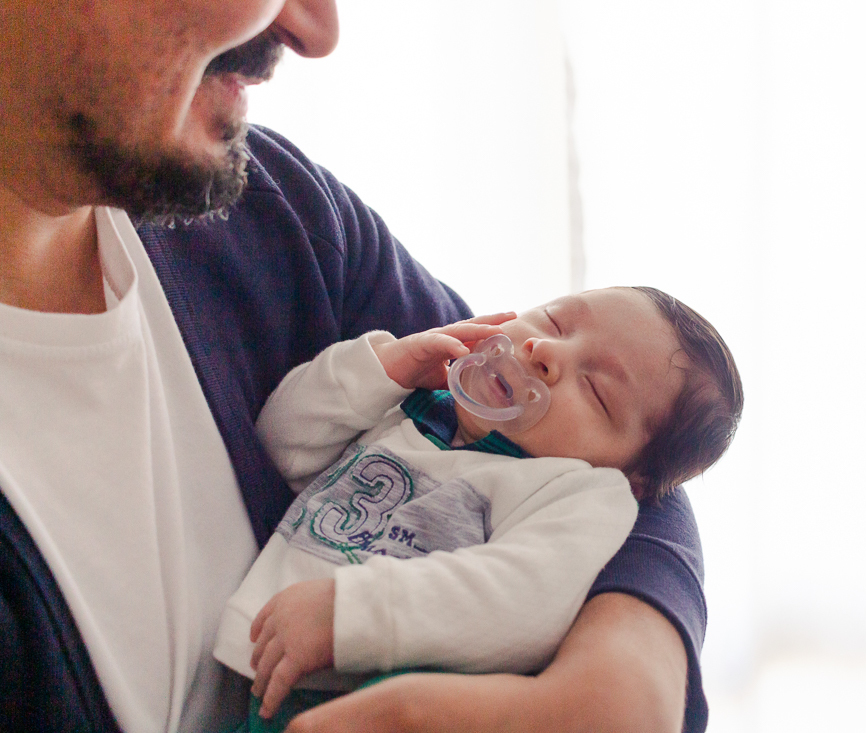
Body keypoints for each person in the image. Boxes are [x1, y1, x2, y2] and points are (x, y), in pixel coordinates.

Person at [0, 2, 717, 731]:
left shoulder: (274, 213)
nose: (318, 30)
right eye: (559, 323)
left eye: (589, 380)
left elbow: (637, 461)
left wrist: (628, 667)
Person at [211, 286, 741, 729]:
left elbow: (520, 595)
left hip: (360, 697)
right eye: (554, 321)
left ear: (634, 477)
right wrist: (379, 370)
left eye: (597, 391)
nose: (545, 353)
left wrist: (352, 613)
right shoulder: (409, 410)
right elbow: (279, 448)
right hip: (247, 669)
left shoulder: (577, 494)